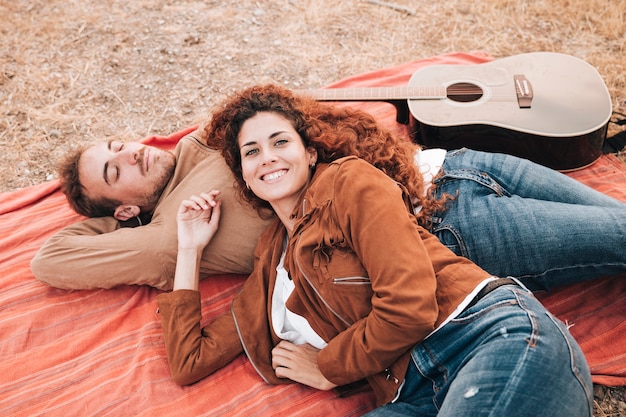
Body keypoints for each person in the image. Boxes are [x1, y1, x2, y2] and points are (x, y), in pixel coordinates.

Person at [156, 84, 593, 416]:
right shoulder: (270, 261)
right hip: (412, 394)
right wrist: (190, 250)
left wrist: (327, 366)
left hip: (486, 337)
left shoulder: (349, 182)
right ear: (245, 176)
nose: (266, 157)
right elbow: (189, 361)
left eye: (280, 142)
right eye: (251, 152)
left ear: (310, 154)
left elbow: (410, 307)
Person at [30, 125, 272, 290]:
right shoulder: (168, 235)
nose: (131, 155)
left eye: (119, 146)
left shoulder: (196, 140)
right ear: (126, 209)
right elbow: (50, 259)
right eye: (116, 171)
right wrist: (129, 223)